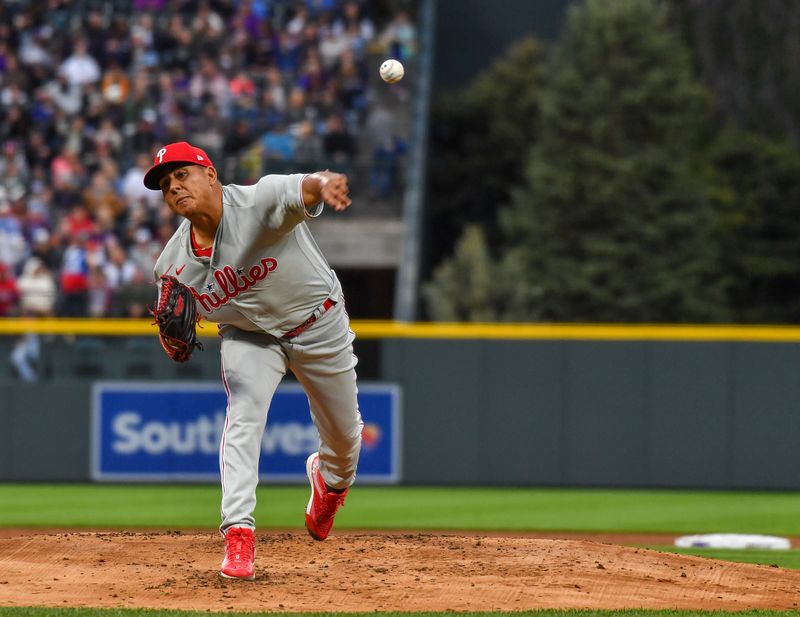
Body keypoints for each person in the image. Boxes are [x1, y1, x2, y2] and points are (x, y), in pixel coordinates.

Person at [143, 141, 362, 580]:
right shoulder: (172, 267)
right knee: (243, 415)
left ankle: (330, 482)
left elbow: (302, 187)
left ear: (210, 174)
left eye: (182, 175)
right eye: (166, 185)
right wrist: (172, 336)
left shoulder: (258, 201)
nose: (174, 188)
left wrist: (326, 184)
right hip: (249, 338)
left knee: (344, 440)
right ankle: (238, 534)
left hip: (318, 323)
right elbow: (176, 326)